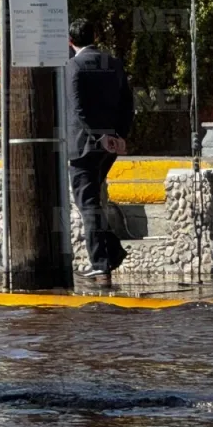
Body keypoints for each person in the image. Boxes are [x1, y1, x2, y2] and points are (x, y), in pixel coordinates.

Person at [66, 18, 135, 279]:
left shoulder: (73, 66)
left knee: (87, 203)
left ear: (70, 41)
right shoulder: (113, 63)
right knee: (92, 198)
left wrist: (99, 136)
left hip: (83, 146)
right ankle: (112, 252)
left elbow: (78, 107)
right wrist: (118, 135)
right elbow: (128, 104)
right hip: (109, 146)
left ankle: (101, 261)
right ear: (94, 36)